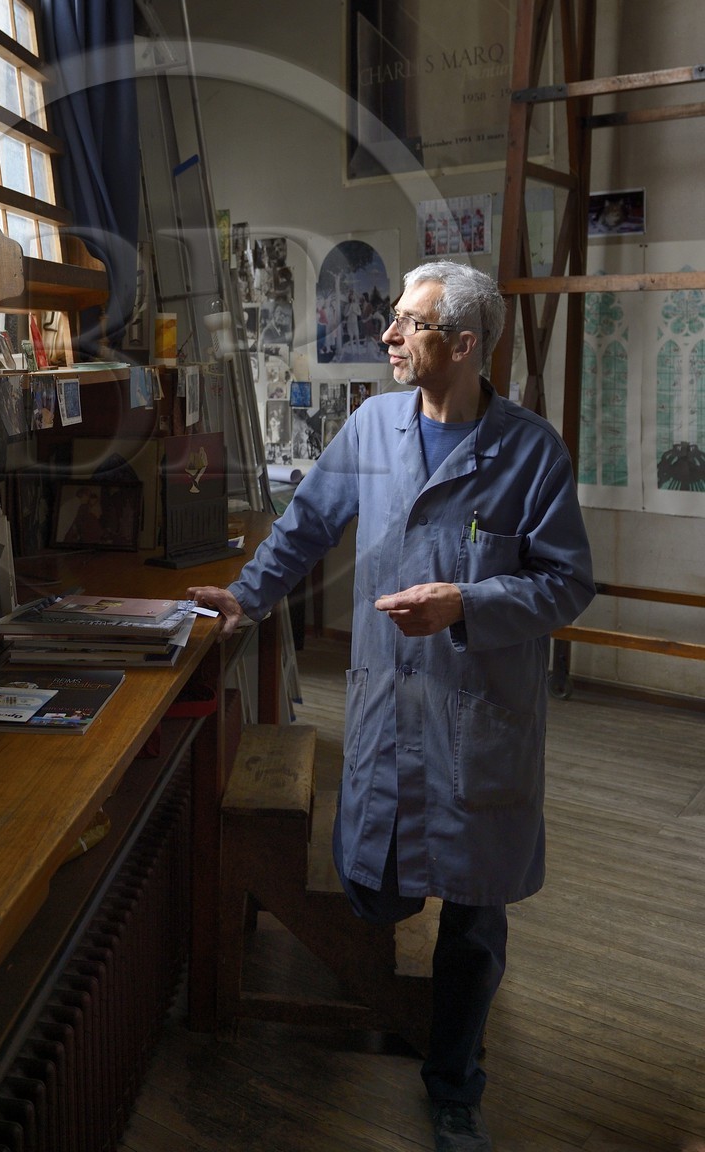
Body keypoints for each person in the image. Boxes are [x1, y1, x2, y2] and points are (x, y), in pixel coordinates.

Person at [190, 260, 594, 1152]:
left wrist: (469, 606)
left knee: (474, 916)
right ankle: (402, 971)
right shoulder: (372, 426)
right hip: (389, 707)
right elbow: (304, 525)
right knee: (377, 887)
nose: (388, 336)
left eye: (407, 324)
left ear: (460, 344)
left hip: (476, 715)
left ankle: (454, 1087)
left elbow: (568, 585)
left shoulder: (530, 452)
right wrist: (247, 597)